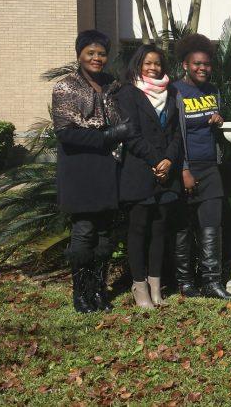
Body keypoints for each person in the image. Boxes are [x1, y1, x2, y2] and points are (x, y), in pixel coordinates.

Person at [52, 30, 130, 313]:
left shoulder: (112, 85)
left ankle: (99, 291)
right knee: (84, 232)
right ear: (79, 55)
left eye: (101, 54)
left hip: (109, 167)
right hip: (81, 169)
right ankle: (80, 294)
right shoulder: (66, 87)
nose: (97, 58)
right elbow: (66, 134)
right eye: (91, 53)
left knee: (106, 235)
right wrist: (110, 135)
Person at [171, 34, 231, 300]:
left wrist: (220, 119)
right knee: (183, 226)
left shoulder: (213, 91)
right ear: (185, 65)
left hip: (210, 166)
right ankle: (186, 283)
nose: (203, 68)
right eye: (197, 63)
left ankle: (211, 282)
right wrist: (184, 169)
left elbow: (214, 129)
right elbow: (175, 133)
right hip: (184, 168)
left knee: (212, 224)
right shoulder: (175, 91)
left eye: (207, 64)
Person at [116, 44, 182, 309]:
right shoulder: (128, 93)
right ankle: (139, 285)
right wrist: (156, 160)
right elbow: (130, 133)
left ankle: (156, 286)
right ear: (138, 65)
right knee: (139, 229)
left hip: (167, 173)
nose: (153, 68)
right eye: (148, 63)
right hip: (139, 171)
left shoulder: (172, 92)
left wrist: (169, 159)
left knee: (159, 230)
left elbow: (178, 132)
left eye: (157, 63)